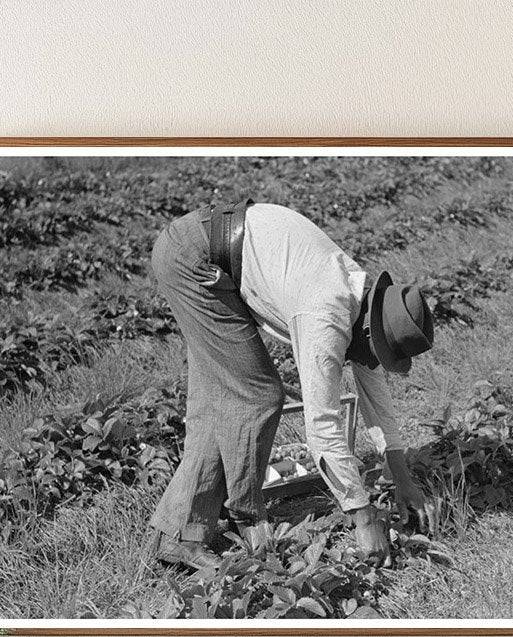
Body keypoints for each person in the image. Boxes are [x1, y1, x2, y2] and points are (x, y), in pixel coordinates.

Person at [148, 200, 435, 571]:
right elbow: (322, 427)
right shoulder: (326, 314)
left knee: (220, 396)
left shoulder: (362, 300)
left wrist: (403, 479)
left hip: (207, 248)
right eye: (377, 351)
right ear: (370, 331)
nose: (371, 360)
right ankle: (247, 519)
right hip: (196, 259)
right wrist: (364, 518)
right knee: (256, 394)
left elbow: (377, 404)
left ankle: (179, 535)